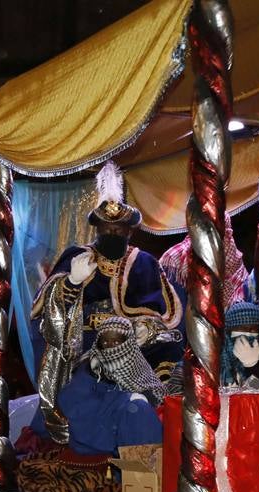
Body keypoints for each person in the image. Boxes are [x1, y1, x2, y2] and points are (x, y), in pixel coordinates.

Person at [30, 161, 183, 444]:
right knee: (72, 370)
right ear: (97, 229)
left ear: (129, 231)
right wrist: (71, 282)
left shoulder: (144, 263)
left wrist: (145, 328)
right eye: (107, 228)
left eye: (119, 229)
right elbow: (46, 310)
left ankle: (150, 423)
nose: (112, 233)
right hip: (85, 343)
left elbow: (164, 314)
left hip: (133, 344)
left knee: (168, 354)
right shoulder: (77, 256)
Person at [19, 316, 164, 492]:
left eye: (117, 342)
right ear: (99, 343)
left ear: (128, 343)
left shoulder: (138, 368)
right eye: (106, 342)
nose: (111, 347)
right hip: (92, 437)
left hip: (125, 437)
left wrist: (133, 400)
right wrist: (119, 401)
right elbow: (72, 400)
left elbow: (154, 392)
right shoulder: (89, 368)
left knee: (139, 412)